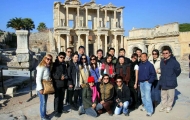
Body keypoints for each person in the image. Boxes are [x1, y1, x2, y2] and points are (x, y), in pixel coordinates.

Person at [159, 47, 181, 113]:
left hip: (171, 81)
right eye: (163, 53)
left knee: (170, 96)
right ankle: (163, 106)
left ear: (170, 53)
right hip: (163, 81)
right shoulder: (162, 61)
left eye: (166, 53)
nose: (165, 54)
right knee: (163, 95)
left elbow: (178, 71)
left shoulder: (174, 61)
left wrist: (172, 76)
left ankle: (169, 106)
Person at [36, 54, 53, 120]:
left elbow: (46, 76)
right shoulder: (41, 66)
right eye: (47, 59)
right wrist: (40, 88)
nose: (49, 60)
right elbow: (38, 78)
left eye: (50, 59)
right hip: (41, 87)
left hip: (46, 86)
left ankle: (44, 114)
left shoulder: (47, 66)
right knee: (43, 102)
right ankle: (43, 117)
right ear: (44, 58)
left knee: (45, 102)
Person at [52, 52, 69, 117]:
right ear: (58, 57)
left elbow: (65, 73)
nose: (62, 59)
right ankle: (56, 111)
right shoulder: (54, 65)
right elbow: (53, 74)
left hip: (63, 83)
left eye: (63, 58)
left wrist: (65, 76)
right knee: (57, 98)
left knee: (62, 97)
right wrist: (59, 77)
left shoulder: (64, 65)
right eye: (61, 57)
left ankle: (61, 109)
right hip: (57, 84)